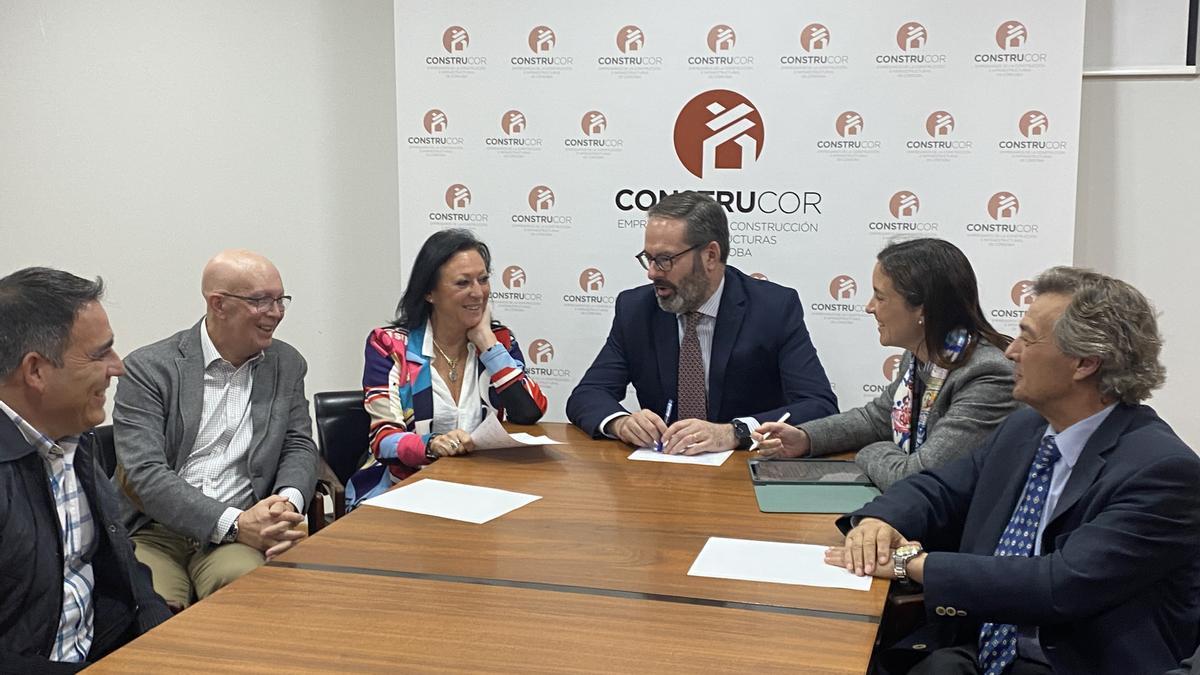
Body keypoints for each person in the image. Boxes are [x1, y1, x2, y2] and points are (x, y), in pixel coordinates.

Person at [829, 266, 1200, 674]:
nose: (1010, 351)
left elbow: (1057, 584)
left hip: (1070, 660)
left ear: (1084, 363)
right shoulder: (1027, 427)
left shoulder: (1162, 471)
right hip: (981, 644)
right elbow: (941, 488)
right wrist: (880, 522)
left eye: (1028, 336)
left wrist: (910, 564)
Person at [112, 250, 318, 609]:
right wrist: (238, 522)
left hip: (238, 537)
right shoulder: (149, 368)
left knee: (253, 595)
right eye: (260, 301)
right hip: (155, 531)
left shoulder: (286, 364)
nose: (276, 312)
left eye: (280, 299)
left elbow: (298, 445)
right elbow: (143, 473)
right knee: (154, 610)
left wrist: (284, 504)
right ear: (218, 304)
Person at [566, 190, 837, 454]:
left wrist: (734, 432)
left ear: (710, 256)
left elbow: (819, 405)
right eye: (649, 258)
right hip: (662, 473)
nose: (652, 273)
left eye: (665, 260)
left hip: (745, 474)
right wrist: (621, 423)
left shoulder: (773, 308)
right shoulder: (636, 310)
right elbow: (588, 394)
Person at [0, 267, 171, 671]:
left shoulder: (74, 437)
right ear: (36, 371)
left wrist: (166, 640)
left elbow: (123, 567)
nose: (119, 367)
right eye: (100, 354)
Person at [754, 238, 1019, 490]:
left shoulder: (987, 376)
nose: (870, 307)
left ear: (923, 310)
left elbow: (916, 476)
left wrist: (871, 450)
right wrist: (805, 438)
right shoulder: (922, 355)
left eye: (880, 297)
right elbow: (877, 418)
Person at [345, 229, 547, 509]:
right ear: (429, 292)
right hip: (405, 488)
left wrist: (487, 343)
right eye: (463, 283)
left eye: (484, 279)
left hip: (483, 490)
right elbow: (384, 440)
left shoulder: (498, 341)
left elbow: (529, 412)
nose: (478, 293)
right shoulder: (390, 345)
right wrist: (432, 444)